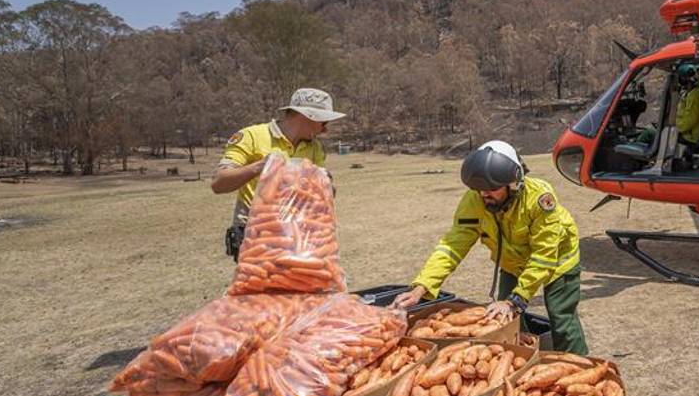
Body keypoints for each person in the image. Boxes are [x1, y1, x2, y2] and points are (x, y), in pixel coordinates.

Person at [392, 140, 589, 355]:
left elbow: (544, 256)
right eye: (479, 190)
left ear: (513, 183)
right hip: (513, 262)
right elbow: (452, 245)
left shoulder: (540, 199)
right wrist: (422, 286)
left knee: (561, 316)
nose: (485, 195)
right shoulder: (474, 200)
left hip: (557, 261)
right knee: (503, 318)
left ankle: (577, 362)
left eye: (492, 189)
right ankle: (524, 356)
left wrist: (516, 300)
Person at [212, 88, 346, 260]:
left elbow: (321, 196)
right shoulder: (251, 137)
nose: (325, 130)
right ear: (309, 116)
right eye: (324, 123)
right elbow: (218, 183)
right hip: (257, 240)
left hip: (301, 239)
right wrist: (259, 167)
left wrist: (325, 185)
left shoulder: (315, 147)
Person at [674, 62, 699, 149]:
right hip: (695, 135)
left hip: (691, 138)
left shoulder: (695, 94)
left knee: (649, 134)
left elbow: (690, 120)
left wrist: (675, 127)